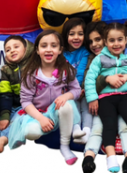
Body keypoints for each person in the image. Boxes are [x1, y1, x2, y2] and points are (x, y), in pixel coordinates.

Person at [7, 30, 82, 165]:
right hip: (39, 113)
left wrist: (66, 96)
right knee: (30, 133)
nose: (48, 49)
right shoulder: (31, 73)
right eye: (44, 46)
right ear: (37, 50)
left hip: (58, 110)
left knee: (66, 104)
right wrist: (41, 119)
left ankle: (64, 146)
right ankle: (43, 128)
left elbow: (76, 90)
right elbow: (25, 101)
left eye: (53, 46)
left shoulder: (66, 69)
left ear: (60, 50)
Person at [85, 22, 127, 173]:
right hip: (105, 98)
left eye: (120, 40)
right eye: (112, 40)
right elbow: (90, 79)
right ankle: (111, 157)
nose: (116, 44)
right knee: (109, 125)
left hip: (125, 96)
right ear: (106, 42)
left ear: (126, 40)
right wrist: (92, 98)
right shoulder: (100, 59)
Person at [62, 18, 92, 144]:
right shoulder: (61, 53)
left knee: (86, 106)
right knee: (72, 106)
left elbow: (80, 72)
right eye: (72, 34)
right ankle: (76, 129)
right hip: (67, 90)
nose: (76, 37)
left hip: (82, 88)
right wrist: (72, 92)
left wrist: (79, 90)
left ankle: (87, 132)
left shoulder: (85, 52)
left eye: (80, 34)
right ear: (66, 35)